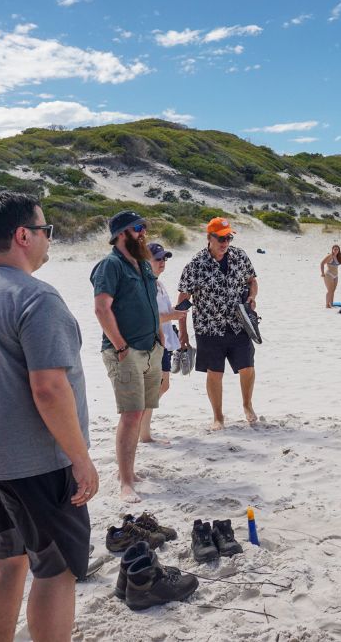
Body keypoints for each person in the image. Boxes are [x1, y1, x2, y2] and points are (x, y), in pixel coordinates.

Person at [0, 192, 97, 642]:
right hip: (31, 461)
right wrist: (80, 458)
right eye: (45, 230)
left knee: (8, 557)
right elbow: (49, 389)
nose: (49, 239)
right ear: (23, 235)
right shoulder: (36, 297)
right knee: (56, 569)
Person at [91, 210, 163, 501]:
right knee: (131, 414)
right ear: (121, 233)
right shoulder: (111, 265)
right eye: (137, 228)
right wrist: (120, 346)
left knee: (142, 410)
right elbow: (101, 309)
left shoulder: (143, 263)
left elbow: (151, 304)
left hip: (150, 349)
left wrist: (159, 339)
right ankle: (125, 481)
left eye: (144, 226)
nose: (143, 232)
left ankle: (130, 471)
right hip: (124, 351)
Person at [177, 217, 258, 431]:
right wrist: (183, 333)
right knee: (215, 372)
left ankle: (247, 405)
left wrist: (252, 297)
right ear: (209, 237)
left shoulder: (240, 256)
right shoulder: (195, 265)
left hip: (238, 324)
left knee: (248, 367)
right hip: (209, 327)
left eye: (228, 238)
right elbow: (183, 301)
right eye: (220, 238)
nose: (225, 242)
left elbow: (252, 281)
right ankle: (218, 417)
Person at [140, 241, 189, 446]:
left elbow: (163, 314)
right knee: (154, 388)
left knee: (162, 386)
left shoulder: (158, 283)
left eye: (164, 258)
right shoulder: (145, 284)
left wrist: (174, 319)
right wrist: (175, 315)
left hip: (164, 341)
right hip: (151, 343)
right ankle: (140, 430)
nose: (162, 262)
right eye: (158, 258)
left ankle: (142, 430)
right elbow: (149, 316)